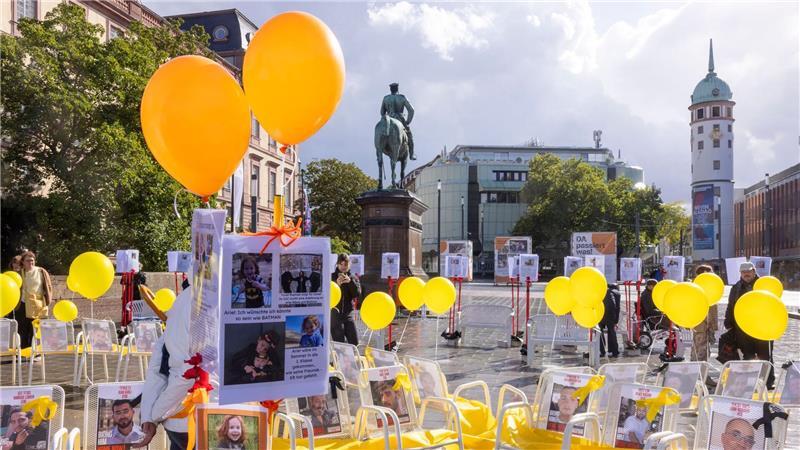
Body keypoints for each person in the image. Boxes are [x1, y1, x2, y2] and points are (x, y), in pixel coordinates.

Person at [137, 288, 194, 450]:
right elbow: (185, 372)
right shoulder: (192, 299)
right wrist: (152, 414)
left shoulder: (185, 299)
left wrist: (152, 414)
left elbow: (161, 364)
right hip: (188, 420)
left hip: (184, 419)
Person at [725, 262, 774, 388]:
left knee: (765, 355)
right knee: (748, 354)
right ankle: (750, 382)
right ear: (740, 273)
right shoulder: (736, 287)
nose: (746, 273)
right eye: (743, 272)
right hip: (742, 327)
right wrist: (728, 321)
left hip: (762, 326)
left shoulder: (764, 285)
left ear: (754, 271)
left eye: (749, 271)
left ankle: (767, 381)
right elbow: (731, 306)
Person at [16, 251, 53, 349]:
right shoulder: (19, 273)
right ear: (23, 262)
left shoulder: (41, 271)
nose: (31, 262)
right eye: (28, 260)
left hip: (37, 304)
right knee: (22, 329)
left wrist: (47, 301)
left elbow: (48, 286)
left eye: (32, 260)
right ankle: (23, 352)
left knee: (35, 330)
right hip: (23, 304)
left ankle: (35, 352)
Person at [330, 254, 361, 345]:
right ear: (337, 264)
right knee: (340, 344)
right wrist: (336, 284)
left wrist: (350, 282)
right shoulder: (331, 277)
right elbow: (326, 295)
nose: (343, 267)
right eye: (341, 264)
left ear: (349, 265)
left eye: (346, 265)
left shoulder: (353, 278)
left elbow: (357, 294)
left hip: (348, 314)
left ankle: (351, 359)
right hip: (335, 314)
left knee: (354, 342)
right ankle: (340, 359)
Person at [380, 82, 416, 160]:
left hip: (389, 119)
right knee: (409, 135)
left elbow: (382, 112)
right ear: (397, 89)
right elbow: (411, 110)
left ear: (390, 89)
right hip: (400, 119)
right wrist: (408, 121)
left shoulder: (386, 98)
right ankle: (412, 154)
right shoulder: (402, 97)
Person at [691, 265, 719, 362]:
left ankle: (703, 373)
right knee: (699, 349)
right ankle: (698, 372)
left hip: (706, 325)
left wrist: (713, 326)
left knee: (704, 350)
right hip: (700, 325)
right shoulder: (695, 288)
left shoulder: (711, 287)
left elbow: (713, 308)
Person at [599, 284, 620, 358]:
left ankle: (602, 351)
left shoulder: (600, 291)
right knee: (612, 333)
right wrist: (616, 320)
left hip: (600, 315)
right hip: (611, 315)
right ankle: (614, 351)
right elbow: (617, 308)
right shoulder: (616, 293)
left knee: (599, 333)